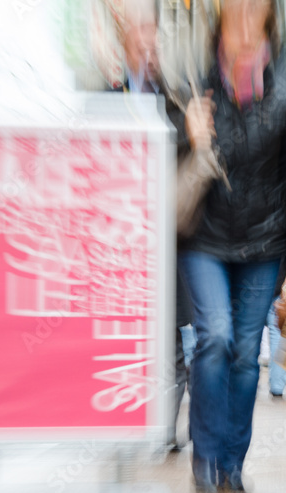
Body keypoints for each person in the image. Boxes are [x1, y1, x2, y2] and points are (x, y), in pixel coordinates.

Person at [176, 0, 286, 493]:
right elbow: (168, 155)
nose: (244, 14)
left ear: (269, 17)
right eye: (235, 6)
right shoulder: (196, 78)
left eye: (255, 6)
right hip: (205, 236)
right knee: (215, 337)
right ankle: (205, 453)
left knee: (243, 355)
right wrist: (191, 136)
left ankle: (232, 464)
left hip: (263, 241)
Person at [112, 0, 193, 451]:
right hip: (119, 241)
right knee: (126, 335)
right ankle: (122, 423)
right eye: (140, 30)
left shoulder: (174, 95)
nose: (148, 40)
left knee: (171, 338)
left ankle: (164, 431)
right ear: (126, 37)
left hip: (166, 241)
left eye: (153, 31)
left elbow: (187, 153)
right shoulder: (108, 92)